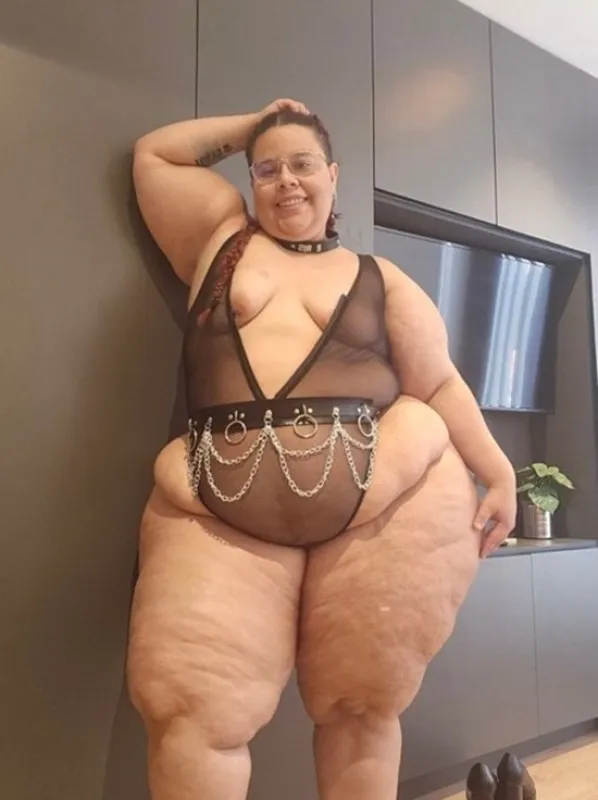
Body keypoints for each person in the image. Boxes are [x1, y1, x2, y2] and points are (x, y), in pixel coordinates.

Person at [127, 98, 516, 800]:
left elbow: (440, 384)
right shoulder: (220, 242)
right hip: (220, 500)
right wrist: (256, 123)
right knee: (192, 711)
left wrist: (499, 473)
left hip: (371, 500)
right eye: (267, 169)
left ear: (333, 175)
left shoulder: (381, 278)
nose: (287, 181)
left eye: (303, 164)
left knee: (363, 705)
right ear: (252, 180)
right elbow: (157, 155)